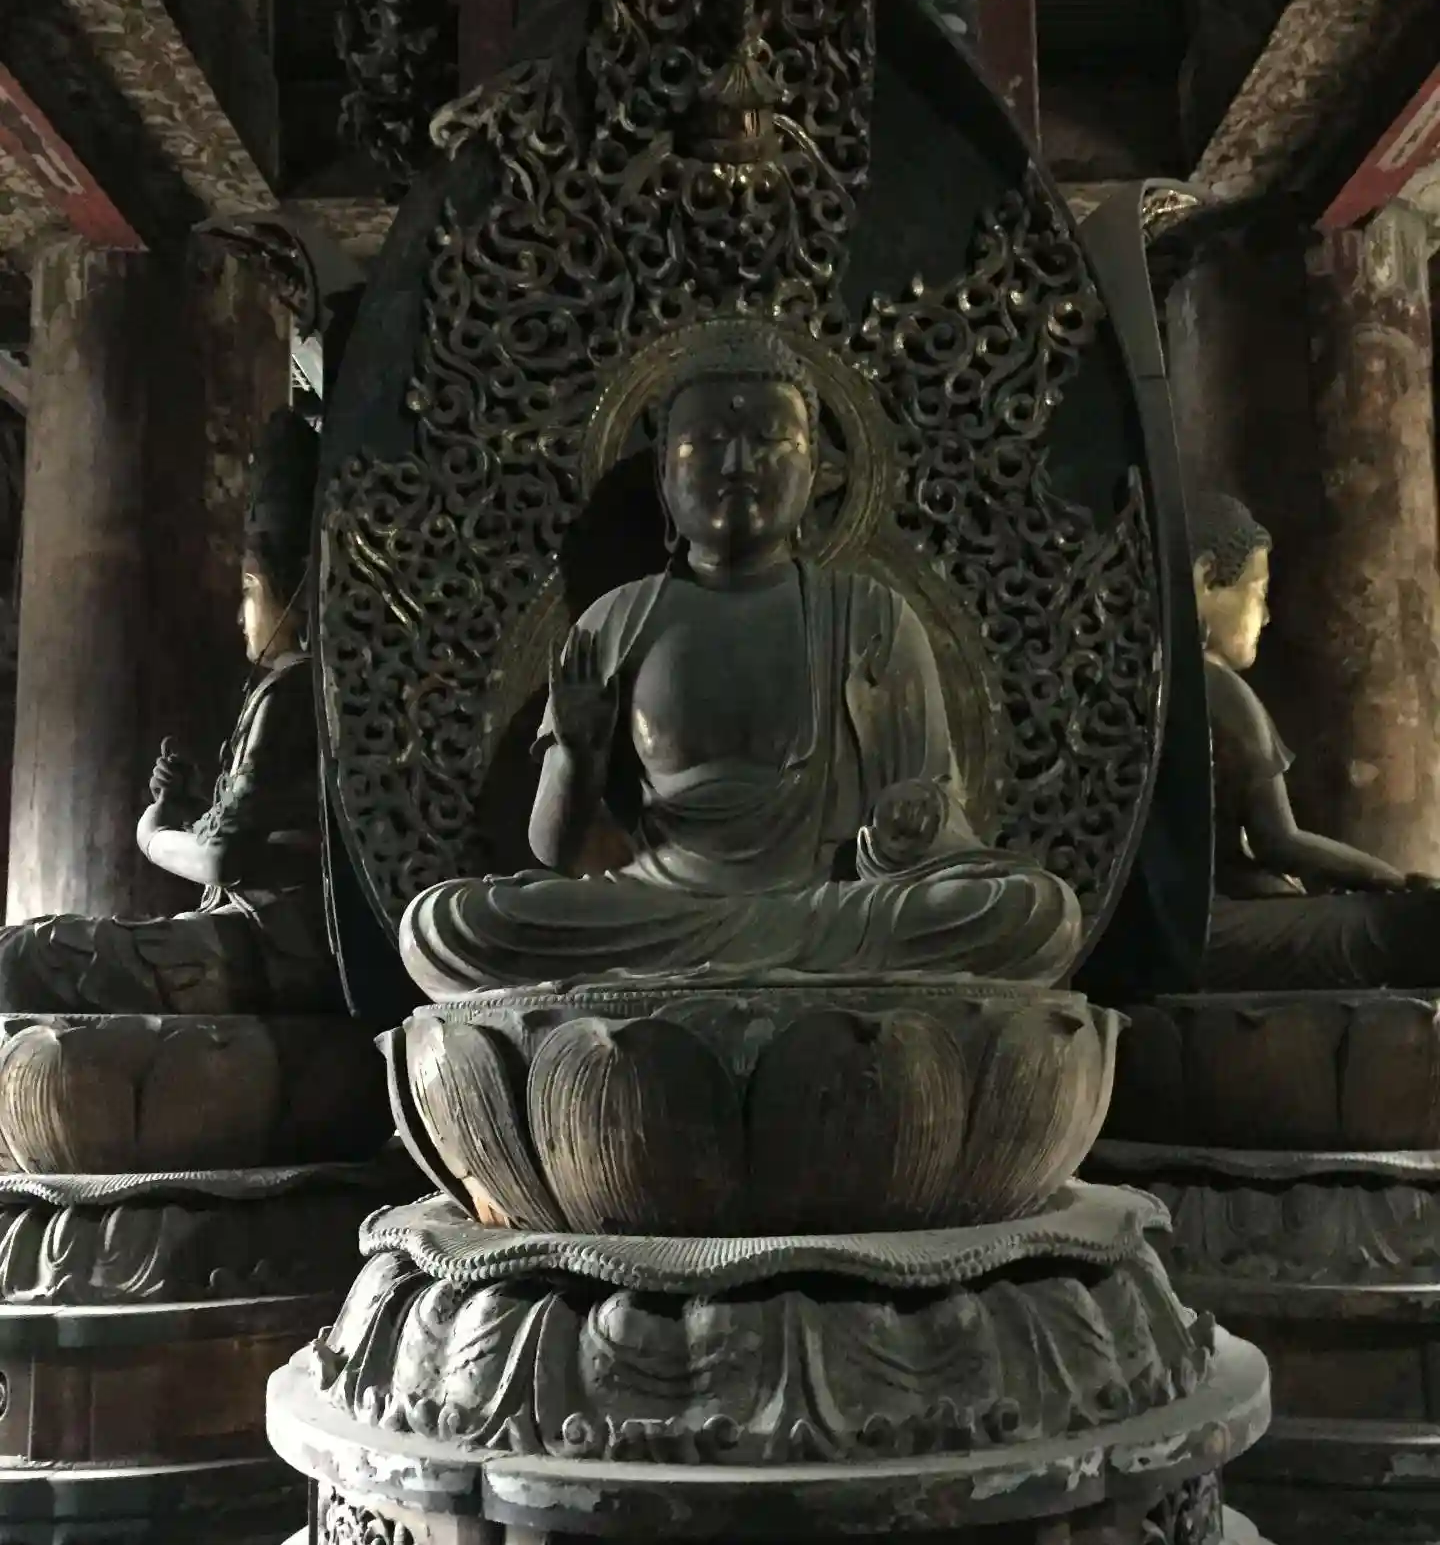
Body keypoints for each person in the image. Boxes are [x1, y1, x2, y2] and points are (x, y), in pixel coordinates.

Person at [401, 318, 1079, 998]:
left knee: (1035, 912)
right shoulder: (616, 620)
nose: (737, 463)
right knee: (444, 925)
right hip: (659, 908)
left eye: (769, 440)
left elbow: (932, 810)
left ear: (813, 469)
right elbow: (553, 849)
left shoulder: (870, 617)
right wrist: (576, 757)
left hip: (828, 908)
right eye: (707, 442)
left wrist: (913, 822)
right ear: (665, 475)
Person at [0, 409, 341, 1015]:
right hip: (263, 938)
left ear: (290, 591)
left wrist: (153, 834)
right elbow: (252, 830)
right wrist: (189, 806)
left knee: (25, 954)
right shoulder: (292, 690)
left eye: (248, 592)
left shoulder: (290, 691)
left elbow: (223, 857)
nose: (240, 616)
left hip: (268, 945)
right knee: (27, 944)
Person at [1193, 491, 1440, 990]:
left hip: (1180, 929)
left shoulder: (1141, 680)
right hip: (1210, 934)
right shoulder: (1216, 689)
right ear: (1205, 576)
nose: (1265, 616)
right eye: (1258, 592)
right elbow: (1280, 842)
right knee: (1418, 922)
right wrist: (1392, 881)